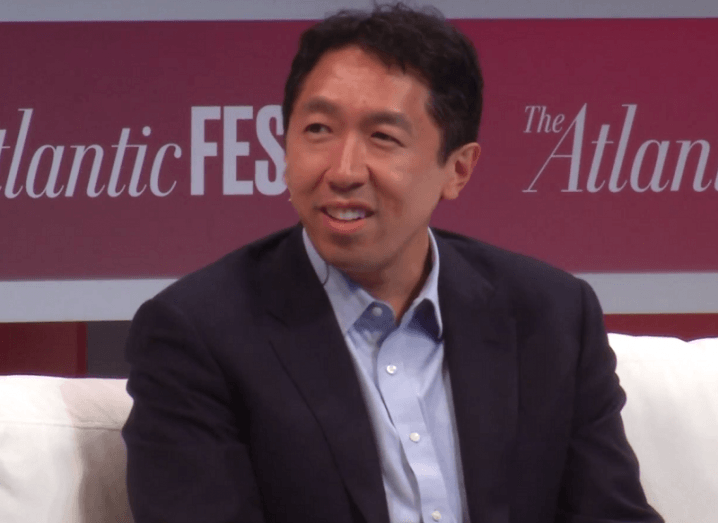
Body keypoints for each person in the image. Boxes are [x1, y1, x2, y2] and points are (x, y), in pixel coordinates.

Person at [122, 4, 664, 523]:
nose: (343, 169)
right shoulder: (197, 335)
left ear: (458, 169)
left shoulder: (551, 316)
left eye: (382, 138)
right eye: (317, 130)